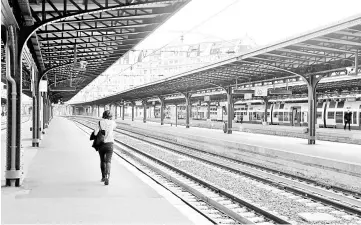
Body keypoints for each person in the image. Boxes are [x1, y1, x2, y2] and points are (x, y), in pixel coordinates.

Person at [93, 110, 117, 185]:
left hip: (102, 144)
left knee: (102, 160)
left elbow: (95, 133)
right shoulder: (113, 122)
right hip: (110, 144)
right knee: (108, 161)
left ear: (103, 115)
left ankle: (103, 177)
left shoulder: (100, 122)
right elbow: (115, 128)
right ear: (110, 116)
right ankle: (107, 176)